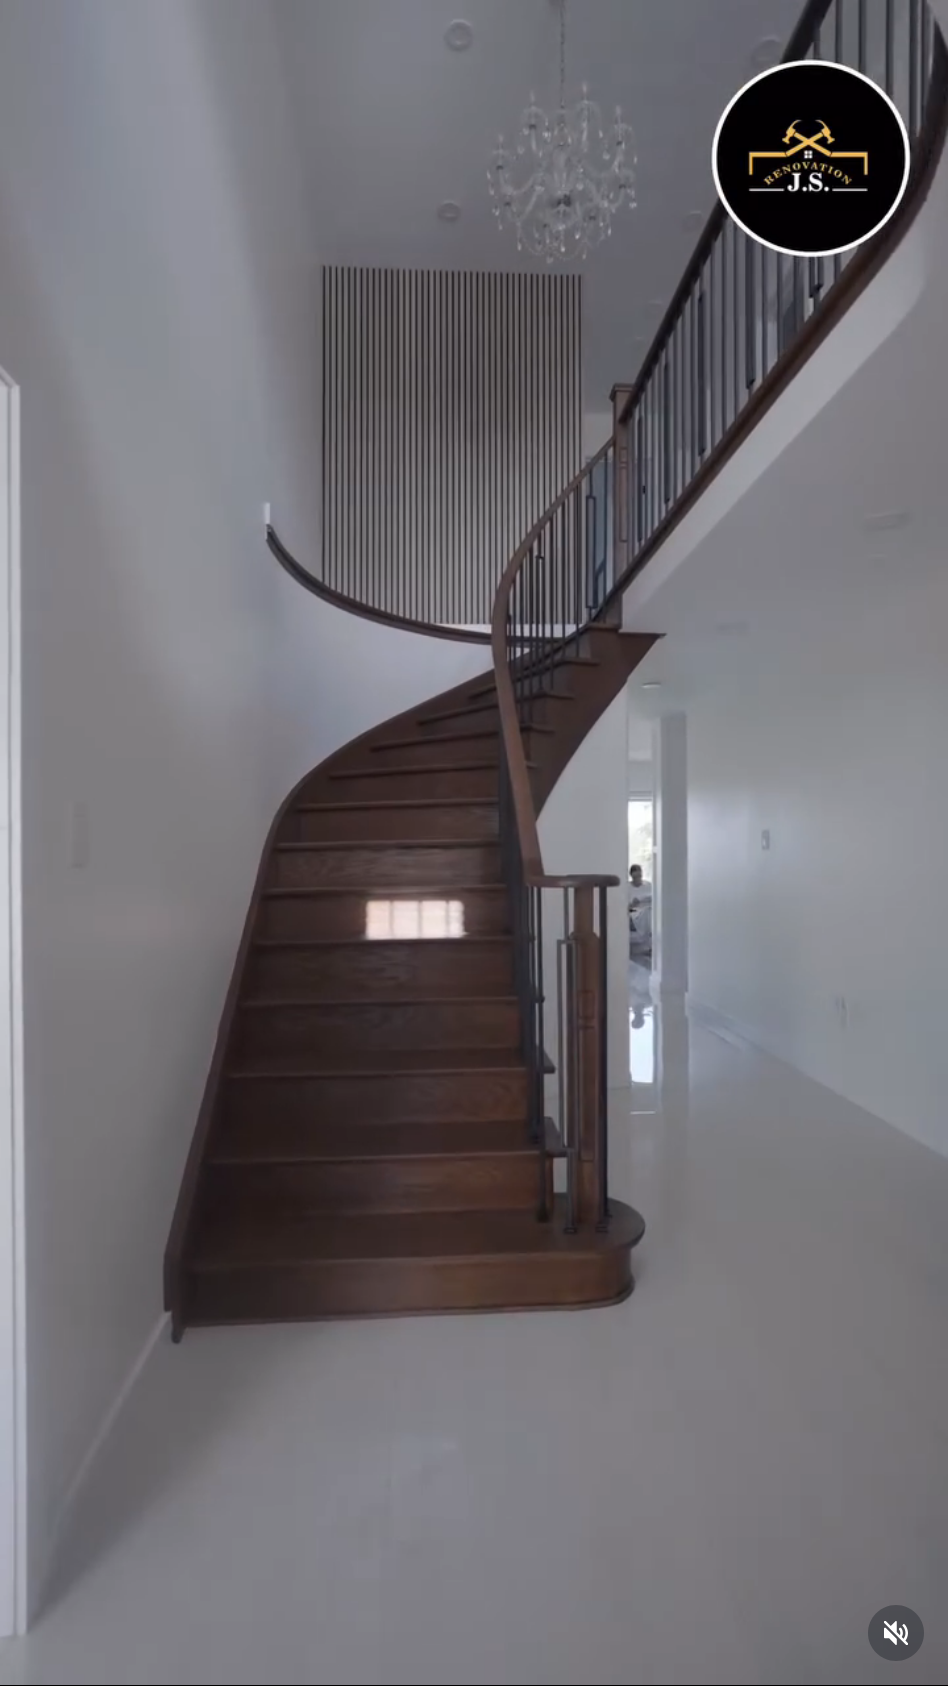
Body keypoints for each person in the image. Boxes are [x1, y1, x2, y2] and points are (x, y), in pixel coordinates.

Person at [629, 862, 652, 950]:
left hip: (649, 908)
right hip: (635, 911)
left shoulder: (648, 885)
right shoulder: (627, 887)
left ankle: (650, 943)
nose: (638, 876)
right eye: (636, 873)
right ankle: (645, 941)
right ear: (631, 875)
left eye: (639, 873)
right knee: (645, 913)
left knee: (649, 911)